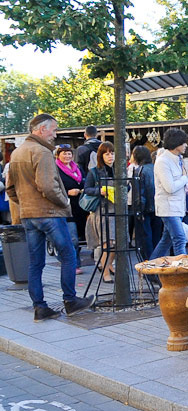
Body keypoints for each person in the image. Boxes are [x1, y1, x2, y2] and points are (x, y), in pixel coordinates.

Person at [6, 114, 94, 321]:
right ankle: (70, 301)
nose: (55, 135)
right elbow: (47, 186)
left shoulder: (18, 153)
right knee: (68, 255)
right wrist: (64, 202)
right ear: (41, 129)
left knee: (36, 262)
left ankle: (40, 307)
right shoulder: (42, 151)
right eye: (53, 130)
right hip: (49, 213)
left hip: (29, 214)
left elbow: (10, 188)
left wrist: (24, 204)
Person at [151, 128, 188, 260]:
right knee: (180, 238)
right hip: (168, 207)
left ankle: (151, 267)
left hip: (177, 207)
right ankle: (184, 270)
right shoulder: (163, 161)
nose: (186, 145)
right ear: (176, 143)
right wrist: (184, 178)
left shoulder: (178, 159)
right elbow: (170, 187)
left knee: (166, 240)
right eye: (183, 142)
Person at [84, 141, 116, 283]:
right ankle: (105, 272)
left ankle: (109, 264)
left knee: (117, 243)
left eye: (112, 153)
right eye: (107, 154)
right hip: (102, 211)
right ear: (101, 156)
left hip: (117, 210)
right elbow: (87, 189)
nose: (110, 156)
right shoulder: (94, 172)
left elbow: (126, 186)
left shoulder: (118, 170)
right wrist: (100, 191)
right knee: (107, 243)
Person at [54, 144, 86, 274]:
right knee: (72, 238)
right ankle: (74, 264)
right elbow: (54, 188)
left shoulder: (77, 168)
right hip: (66, 208)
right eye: (64, 153)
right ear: (58, 155)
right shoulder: (55, 169)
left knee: (79, 236)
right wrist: (68, 192)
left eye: (69, 153)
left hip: (81, 207)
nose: (67, 156)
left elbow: (85, 182)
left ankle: (71, 261)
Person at [131, 146, 161, 261]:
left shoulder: (139, 171)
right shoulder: (156, 168)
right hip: (158, 207)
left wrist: (139, 211)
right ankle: (157, 260)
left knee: (146, 238)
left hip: (145, 209)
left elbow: (139, 194)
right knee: (156, 237)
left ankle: (149, 262)